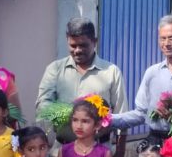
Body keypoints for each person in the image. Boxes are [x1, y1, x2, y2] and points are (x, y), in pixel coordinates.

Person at [36, 17, 127, 146]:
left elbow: (122, 116)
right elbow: (42, 106)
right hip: (63, 150)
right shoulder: (54, 69)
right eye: (73, 46)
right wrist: (67, 112)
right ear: (67, 40)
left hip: (99, 150)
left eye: (83, 45)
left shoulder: (111, 72)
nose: (77, 50)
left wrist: (120, 152)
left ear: (94, 42)